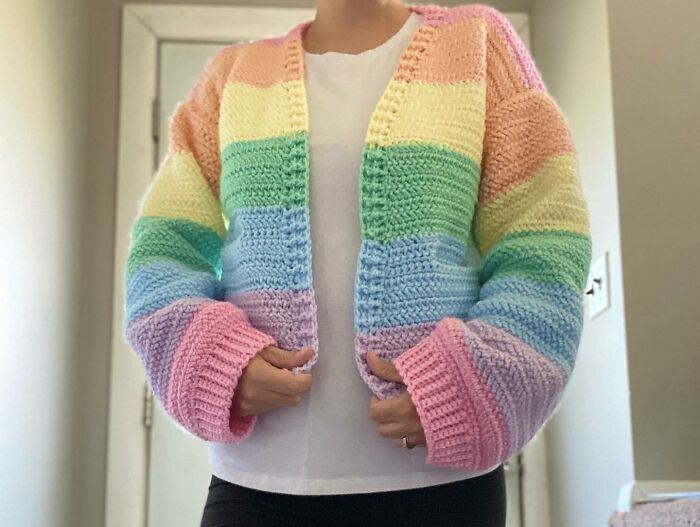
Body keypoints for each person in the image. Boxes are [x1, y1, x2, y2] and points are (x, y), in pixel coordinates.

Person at [122, 1, 592, 525]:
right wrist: (213, 358)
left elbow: (544, 242)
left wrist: (471, 382)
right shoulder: (233, 77)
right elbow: (164, 246)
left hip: (439, 485)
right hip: (257, 485)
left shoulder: (478, 46)